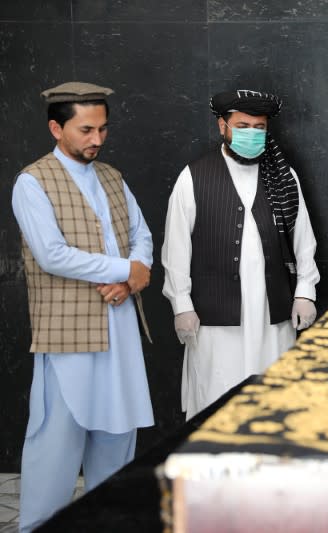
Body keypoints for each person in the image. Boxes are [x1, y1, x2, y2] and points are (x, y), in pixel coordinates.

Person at [11, 82, 154, 532]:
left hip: (120, 325)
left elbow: (142, 236)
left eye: (103, 129)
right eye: (86, 129)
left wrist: (134, 275)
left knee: (118, 434)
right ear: (56, 128)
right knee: (56, 440)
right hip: (67, 330)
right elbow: (51, 253)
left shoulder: (112, 176)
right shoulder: (32, 182)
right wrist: (124, 270)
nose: (97, 139)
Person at [162, 89, 320, 419]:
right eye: (243, 125)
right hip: (216, 318)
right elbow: (176, 248)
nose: (251, 133)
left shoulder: (283, 176)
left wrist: (305, 291)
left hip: (272, 313)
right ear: (223, 126)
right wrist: (181, 304)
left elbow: (303, 238)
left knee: (273, 400)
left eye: (259, 127)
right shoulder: (194, 177)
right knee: (217, 401)